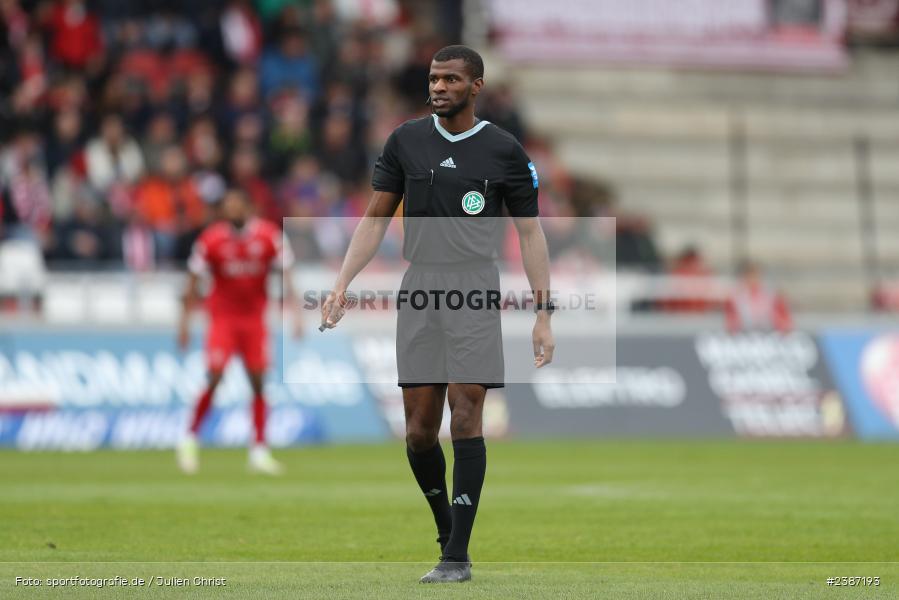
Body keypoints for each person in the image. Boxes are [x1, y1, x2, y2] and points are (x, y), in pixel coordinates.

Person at [320, 45, 555, 583]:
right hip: (420, 286)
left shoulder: (504, 150)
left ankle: (456, 556)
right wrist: (341, 284)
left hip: (474, 285)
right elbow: (376, 218)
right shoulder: (405, 141)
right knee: (419, 432)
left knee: (465, 411)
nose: (440, 86)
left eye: (451, 79)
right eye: (434, 78)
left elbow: (530, 233)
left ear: (476, 86)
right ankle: (446, 525)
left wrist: (544, 313)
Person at [176, 187, 303, 475]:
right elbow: (192, 281)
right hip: (223, 319)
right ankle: (189, 438)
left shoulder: (269, 236)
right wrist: (184, 322)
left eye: (236, 206)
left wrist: (296, 315)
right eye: (227, 206)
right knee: (216, 375)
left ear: (248, 208)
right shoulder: (211, 239)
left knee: (258, 382)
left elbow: (287, 273)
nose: (230, 211)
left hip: (254, 320)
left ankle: (259, 450)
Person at [725, 260, 793, 333]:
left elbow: (785, 322)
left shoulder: (772, 295)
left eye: (754, 275)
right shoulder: (736, 297)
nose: (752, 280)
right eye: (749, 276)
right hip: (744, 335)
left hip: (770, 335)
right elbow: (731, 324)